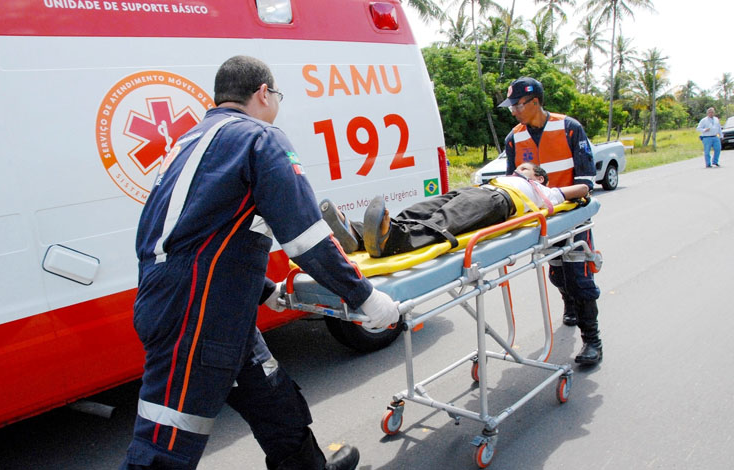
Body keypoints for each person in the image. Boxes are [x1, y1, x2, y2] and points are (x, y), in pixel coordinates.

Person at [120, 55, 400, 470]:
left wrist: (264, 290)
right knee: (165, 445)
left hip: (202, 303)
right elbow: (306, 237)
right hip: (197, 315)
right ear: (263, 93)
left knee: (274, 400)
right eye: (277, 96)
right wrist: (364, 296)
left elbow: (195, 232)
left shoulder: (189, 141)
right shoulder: (259, 138)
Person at [498, 77, 602, 366]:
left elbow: (585, 180)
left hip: (572, 217)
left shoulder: (569, 128)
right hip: (542, 222)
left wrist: (561, 201)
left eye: (516, 105)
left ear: (534, 102)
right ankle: (568, 302)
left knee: (579, 278)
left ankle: (592, 340)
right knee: (557, 273)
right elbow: (513, 185)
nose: (513, 111)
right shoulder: (513, 139)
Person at [321, 163, 589, 258]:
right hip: (478, 191)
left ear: (539, 178)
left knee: (444, 220)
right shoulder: (509, 177)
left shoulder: (544, 192)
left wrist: (581, 191)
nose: (517, 170)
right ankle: (357, 235)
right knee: (420, 209)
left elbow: (580, 190)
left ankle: (393, 241)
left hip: (499, 201)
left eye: (525, 169)